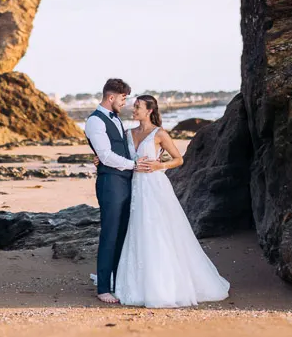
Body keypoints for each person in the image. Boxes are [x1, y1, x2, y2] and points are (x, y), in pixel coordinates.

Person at [113, 94, 231, 308]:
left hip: (155, 186)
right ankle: (138, 283)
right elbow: (118, 156)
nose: (133, 109)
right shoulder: (127, 133)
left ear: (149, 110)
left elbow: (179, 159)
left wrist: (160, 166)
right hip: (135, 186)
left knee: (159, 230)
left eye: (138, 106)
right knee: (138, 230)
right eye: (134, 105)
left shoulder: (159, 134)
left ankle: (163, 286)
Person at [83, 78, 135, 304]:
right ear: (111, 97)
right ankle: (103, 287)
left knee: (123, 233)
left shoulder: (117, 120)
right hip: (110, 183)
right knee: (110, 234)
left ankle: (116, 281)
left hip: (125, 181)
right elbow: (104, 156)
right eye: (123, 99)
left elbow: (119, 149)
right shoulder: (95, 121)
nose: (125, 103)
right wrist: (135, 165)